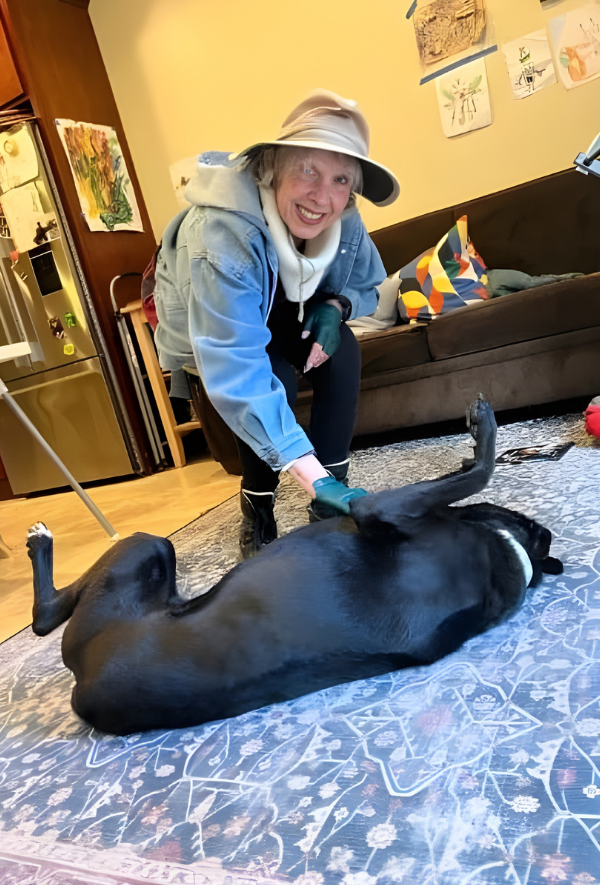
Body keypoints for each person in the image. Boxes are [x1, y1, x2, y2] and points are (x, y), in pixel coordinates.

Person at [153, 89, 400, 558]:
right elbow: (236, 363)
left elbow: (367, 282)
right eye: (307, 170)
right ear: (271, 168)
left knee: (344, 350)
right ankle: (258, 506)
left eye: (340, 179)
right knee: (275, 380)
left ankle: (329, 508)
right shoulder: (219, 232)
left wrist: (336, 307)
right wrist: (310, 475)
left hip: (285, 308)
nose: (322, 196)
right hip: (223, 324)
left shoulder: (345, 217)